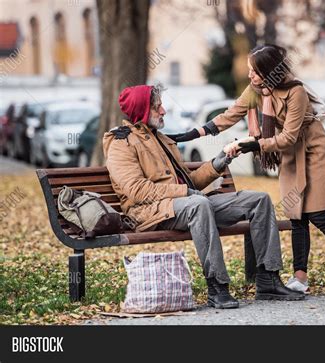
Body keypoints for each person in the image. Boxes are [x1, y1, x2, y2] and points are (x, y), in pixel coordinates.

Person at [167, 44, 325, 295]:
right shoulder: (256, 90)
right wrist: (186, 135)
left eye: (254, 70)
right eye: (250, 70)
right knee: (297, 217)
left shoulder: (296, 92)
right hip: (290, 158)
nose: (250, 75)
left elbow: (289, 137)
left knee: (318, 214)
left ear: (269, 70)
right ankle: (300, 278)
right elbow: (229, 115)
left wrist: (252, 143)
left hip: (313, 152)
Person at [103, 83, 304, 309]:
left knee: (259, 200)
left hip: (186, 205)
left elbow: (189, 183)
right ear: (141, 111)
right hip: (150, 212)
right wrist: (185, 192)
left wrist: (220, 162)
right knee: (198, 204)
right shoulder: (121, 142)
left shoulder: (161, 139)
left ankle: (268, 280)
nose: (163, 111)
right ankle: (217, 287)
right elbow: (137, 190)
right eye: (157, 107)